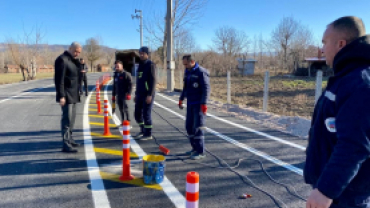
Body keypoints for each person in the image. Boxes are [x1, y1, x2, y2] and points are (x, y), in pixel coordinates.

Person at [304, 16, 370, 208]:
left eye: (325, 42)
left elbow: (354, 145)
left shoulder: (360, 83)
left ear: (340, 43)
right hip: (338, 190)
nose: (322, 49)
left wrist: (325, 191)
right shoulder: (345, 77)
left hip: (346, 196)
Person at [178, 55, 210, 160]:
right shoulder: (187, 71)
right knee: (189, 127)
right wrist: (181, 98)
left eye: (186, 64)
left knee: (198, 128)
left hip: (199, 104)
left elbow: (206, 89)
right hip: (190, 103)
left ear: (192, 61)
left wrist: (204, 103)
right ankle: (194, 148)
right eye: (184, 64)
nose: (185, 66)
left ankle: (200, 151)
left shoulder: (201, 72)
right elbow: (185, 87)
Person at [54, 42, 82, 153]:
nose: (77, 54)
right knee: (67, 119)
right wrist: (61, 96)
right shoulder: (62, 59)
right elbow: (59, 80)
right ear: (70, 48)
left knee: (72, 119)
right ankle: (65, 144)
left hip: (74, 94)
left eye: (79, 52)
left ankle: (70, 139)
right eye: (75, 51)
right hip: (66, 94)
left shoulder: (73, 60)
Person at [134, 46, 156, 140]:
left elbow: (153, 80)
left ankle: (148, 134)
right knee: (137, 114)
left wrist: (150, 95)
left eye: (143, 53)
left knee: (146, 114)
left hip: (148, 94)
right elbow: (138, 81)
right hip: (139, 93)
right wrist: (135, 93)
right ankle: (143, 130)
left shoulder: (150, 64)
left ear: (147, 54)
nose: (141, 55)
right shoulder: (140, 65)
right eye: (140, 53)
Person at [112, 60, 132, 125]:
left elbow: (130, 84)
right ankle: (122, 121)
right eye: (115, 66)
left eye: (118, 66)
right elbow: (114, 85)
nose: (116, 68)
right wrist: (113, 94)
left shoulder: (126, 74)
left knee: (125, 108)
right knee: (120, 109)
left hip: (124, 94)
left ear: (122, 66)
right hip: (118, 94)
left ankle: (128, 120)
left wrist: (129, 93)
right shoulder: (115, 74)